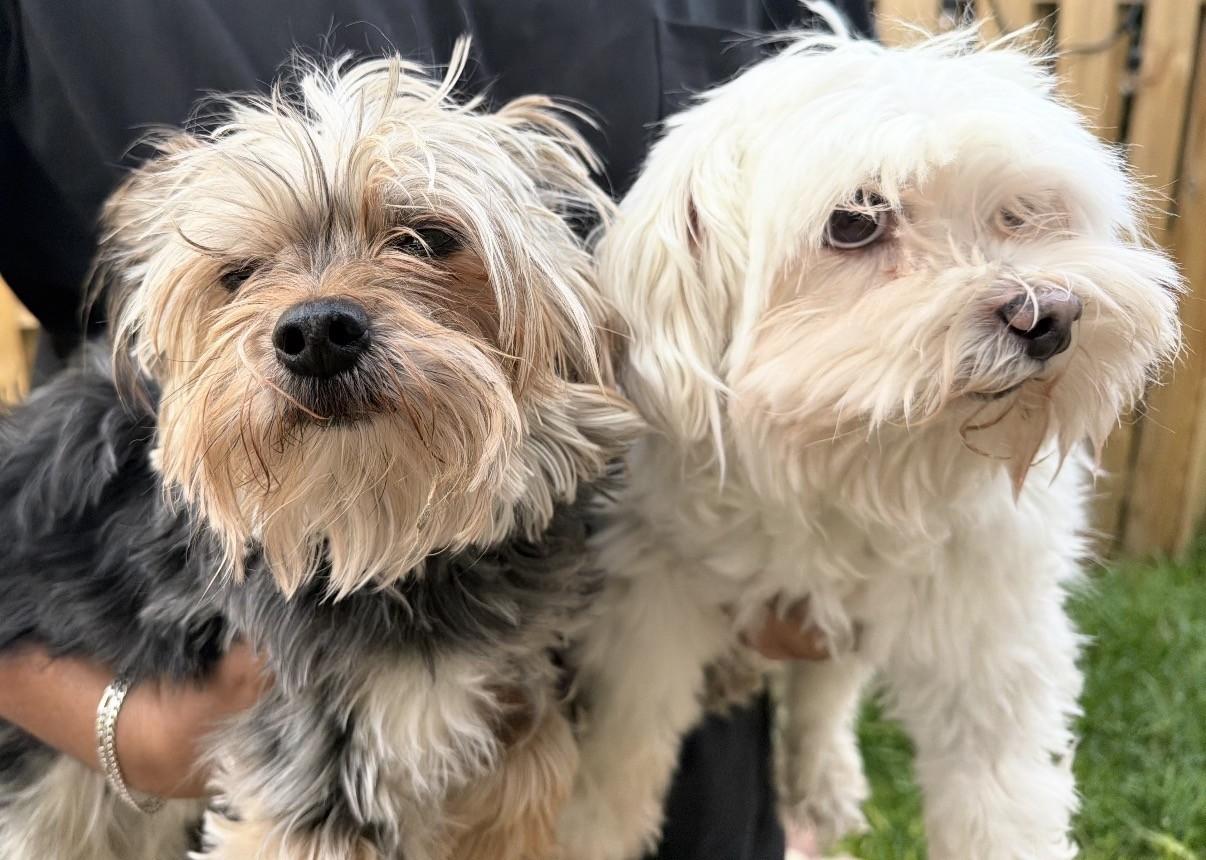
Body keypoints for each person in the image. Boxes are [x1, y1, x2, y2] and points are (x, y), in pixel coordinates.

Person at [0, 2, 872, 857]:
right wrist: (123, 731)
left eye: (424, 243)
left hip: (659, 699)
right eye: (241, 275)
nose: (313, 319)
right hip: (109, 712)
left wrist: (816, 535)